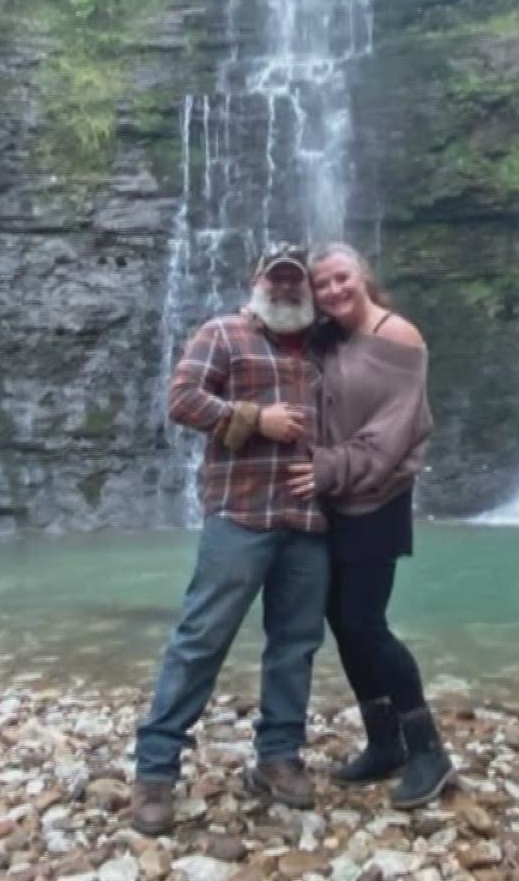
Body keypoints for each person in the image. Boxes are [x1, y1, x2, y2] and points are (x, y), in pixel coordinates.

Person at [131, 242, 330, 835]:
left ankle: (278, 757)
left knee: (295, 646)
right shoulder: (223, 333)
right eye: (279, 279)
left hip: (310, 522)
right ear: (258, 281)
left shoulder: (327, 345)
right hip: (240, 516)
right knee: (201, 639)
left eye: (297, 281)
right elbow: (182, 400)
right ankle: (155, 771)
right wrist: (252, 418)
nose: (288, 289)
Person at [287, 243, 455, 810]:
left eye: (342, 279)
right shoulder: (327, 338)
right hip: (330, 499)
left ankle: (428, 749)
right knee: (342, 620)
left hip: (375, 499)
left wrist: (327, 468)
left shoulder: (398, 336)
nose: (333, 291)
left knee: (365, 621)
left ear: (362, 276)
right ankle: (384, 742)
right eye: (322, 285)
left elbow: (392, 435)